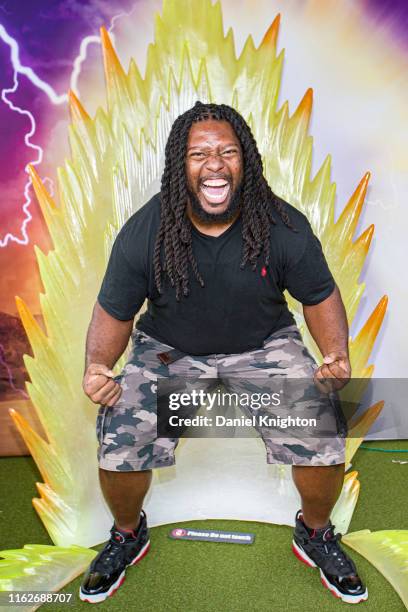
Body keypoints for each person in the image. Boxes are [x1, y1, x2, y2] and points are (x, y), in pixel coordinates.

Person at [79, 102, 367, 604]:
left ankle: (315, 532)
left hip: (262, 346)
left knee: (318, 418)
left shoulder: (283, 225)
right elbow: (114, 311)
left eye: (227, 152)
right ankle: (127, 533)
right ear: (180, 166)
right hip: (170, 351)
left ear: (245, 162)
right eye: (199, 154)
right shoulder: (146, 230)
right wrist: (98, 368)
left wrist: (336, 355)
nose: (214, 164)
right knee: (122, 424)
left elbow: (318, 296)